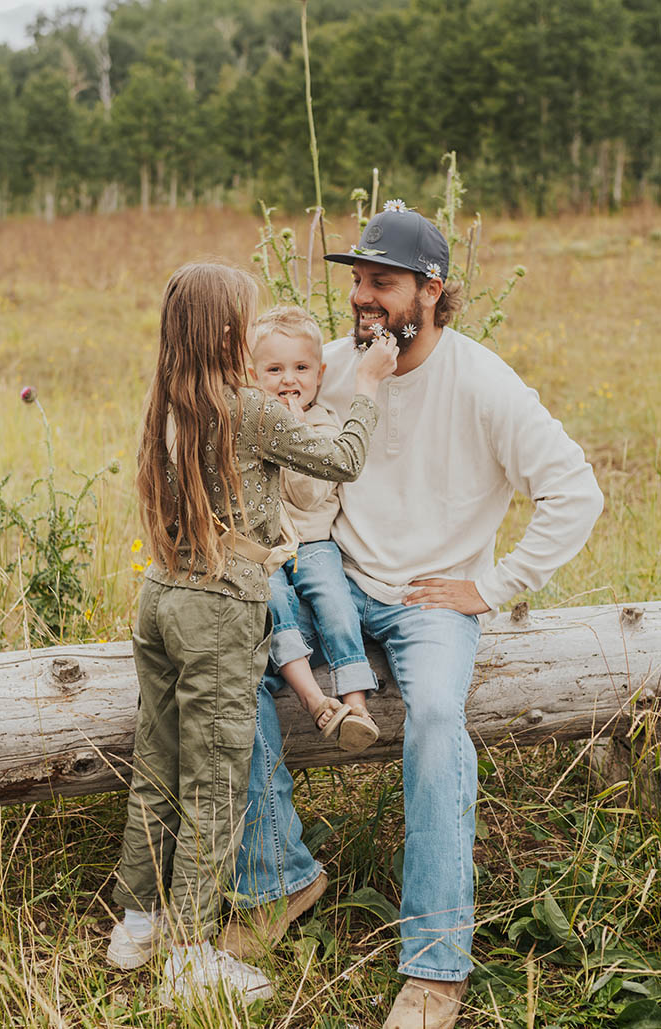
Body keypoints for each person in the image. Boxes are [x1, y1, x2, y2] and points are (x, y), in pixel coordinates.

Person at [219, 207, 604, 1028]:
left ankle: (435, 965)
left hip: (435, 600)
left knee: (434, 714)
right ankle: (279, 876)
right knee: (224, 661)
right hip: (334, 578)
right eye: (357, 280)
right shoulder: (331, 363)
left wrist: (494, 585)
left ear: (430, 290)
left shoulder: (482, 382)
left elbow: (577, 489)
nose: (361, 297)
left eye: (380, 283)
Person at [105, 261, 398, 1007]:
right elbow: (343, 459)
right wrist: (363, 385)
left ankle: (136, 925)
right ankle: (190, 954)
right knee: (216, 780)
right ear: (228, 331)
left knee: (158, 759)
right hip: (216, 608)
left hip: (162, 596)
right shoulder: (248, 408)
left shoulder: (169, 401)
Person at [250, 304, 381, 751]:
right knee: (276, 606)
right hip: (266, 549)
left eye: (301, 367)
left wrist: (298, 432)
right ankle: (312, 698)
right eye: (274, 369)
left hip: (315, 544)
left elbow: (307, 496)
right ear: (252, 375)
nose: (289, 380)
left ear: (320, 373)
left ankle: (357, 703)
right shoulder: (254, 423)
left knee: (336, 605)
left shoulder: (323, 424)